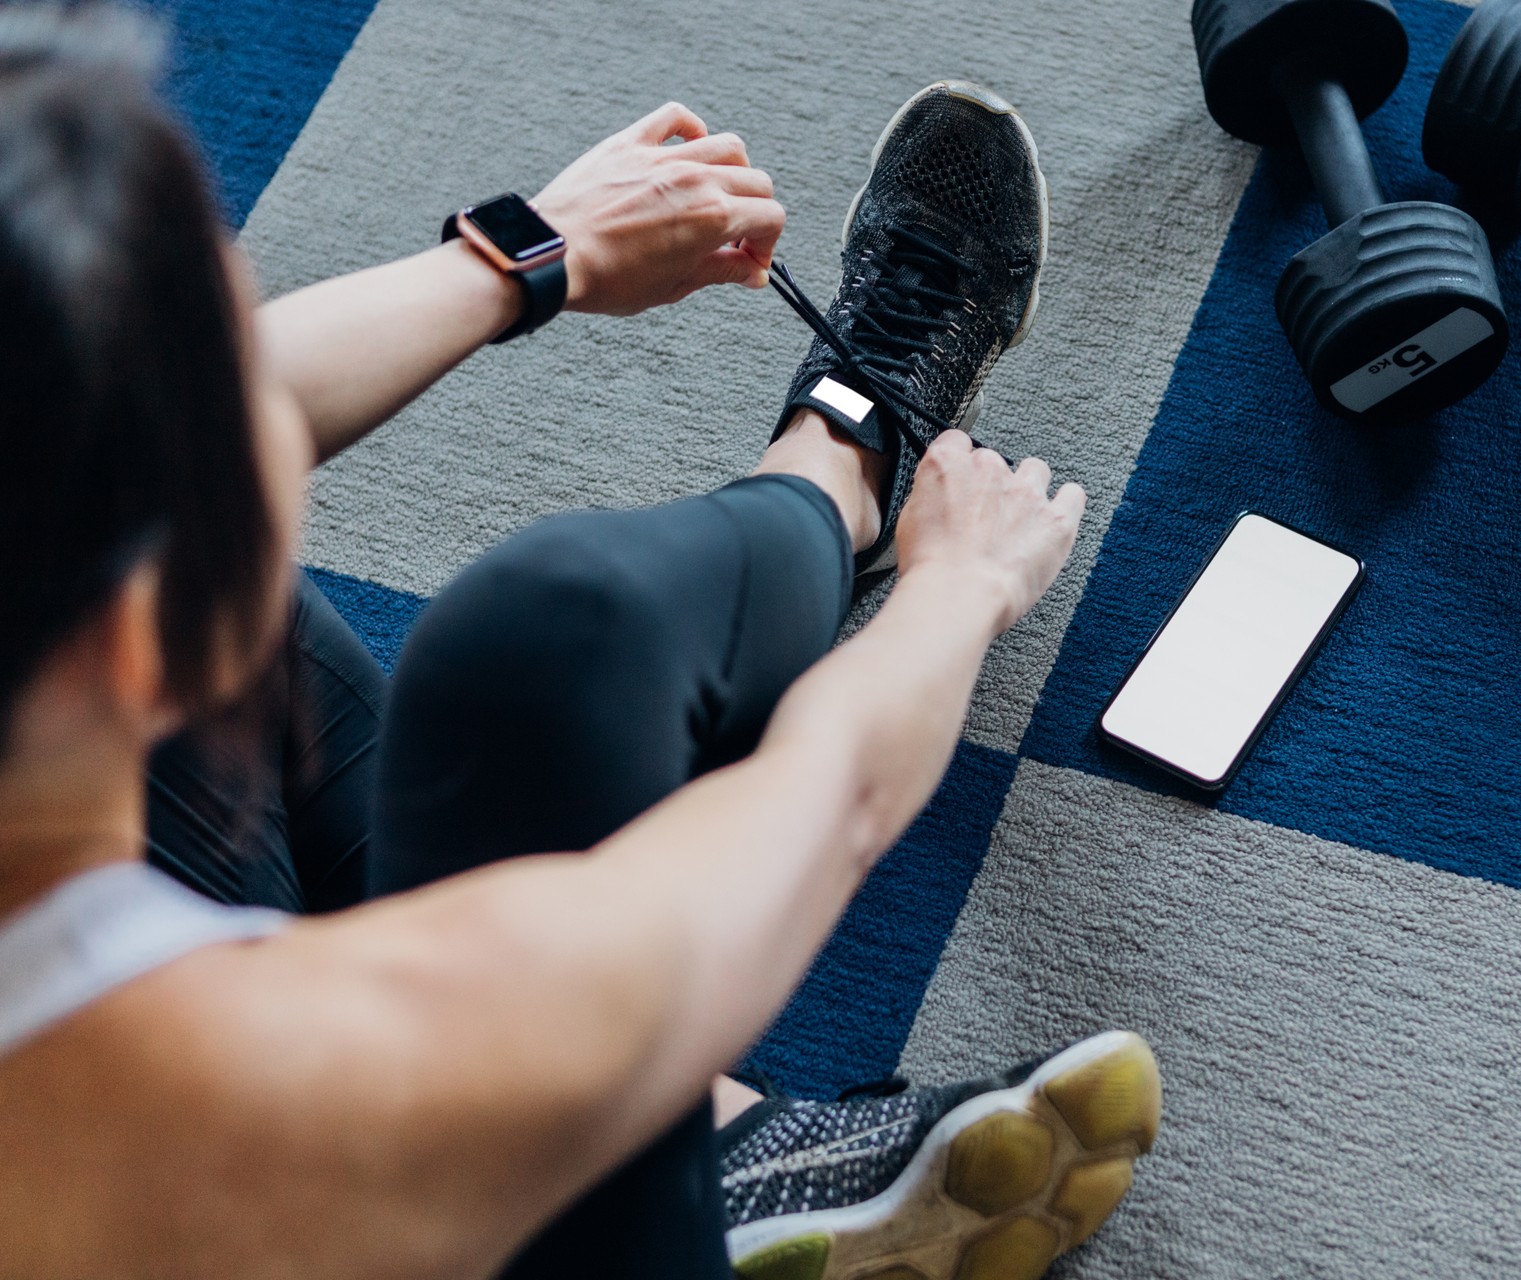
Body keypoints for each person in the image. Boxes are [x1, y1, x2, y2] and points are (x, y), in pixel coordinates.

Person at [0, 6, 1162, 1280]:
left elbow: (180, 438)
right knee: (549, 645)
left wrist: (525, 254)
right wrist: (961, 583)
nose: (256, 397)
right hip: (367, 1164)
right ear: (140, 632)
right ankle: (849, 461)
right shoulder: (301, 1087)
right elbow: (827, 797)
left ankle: (740, 1144)